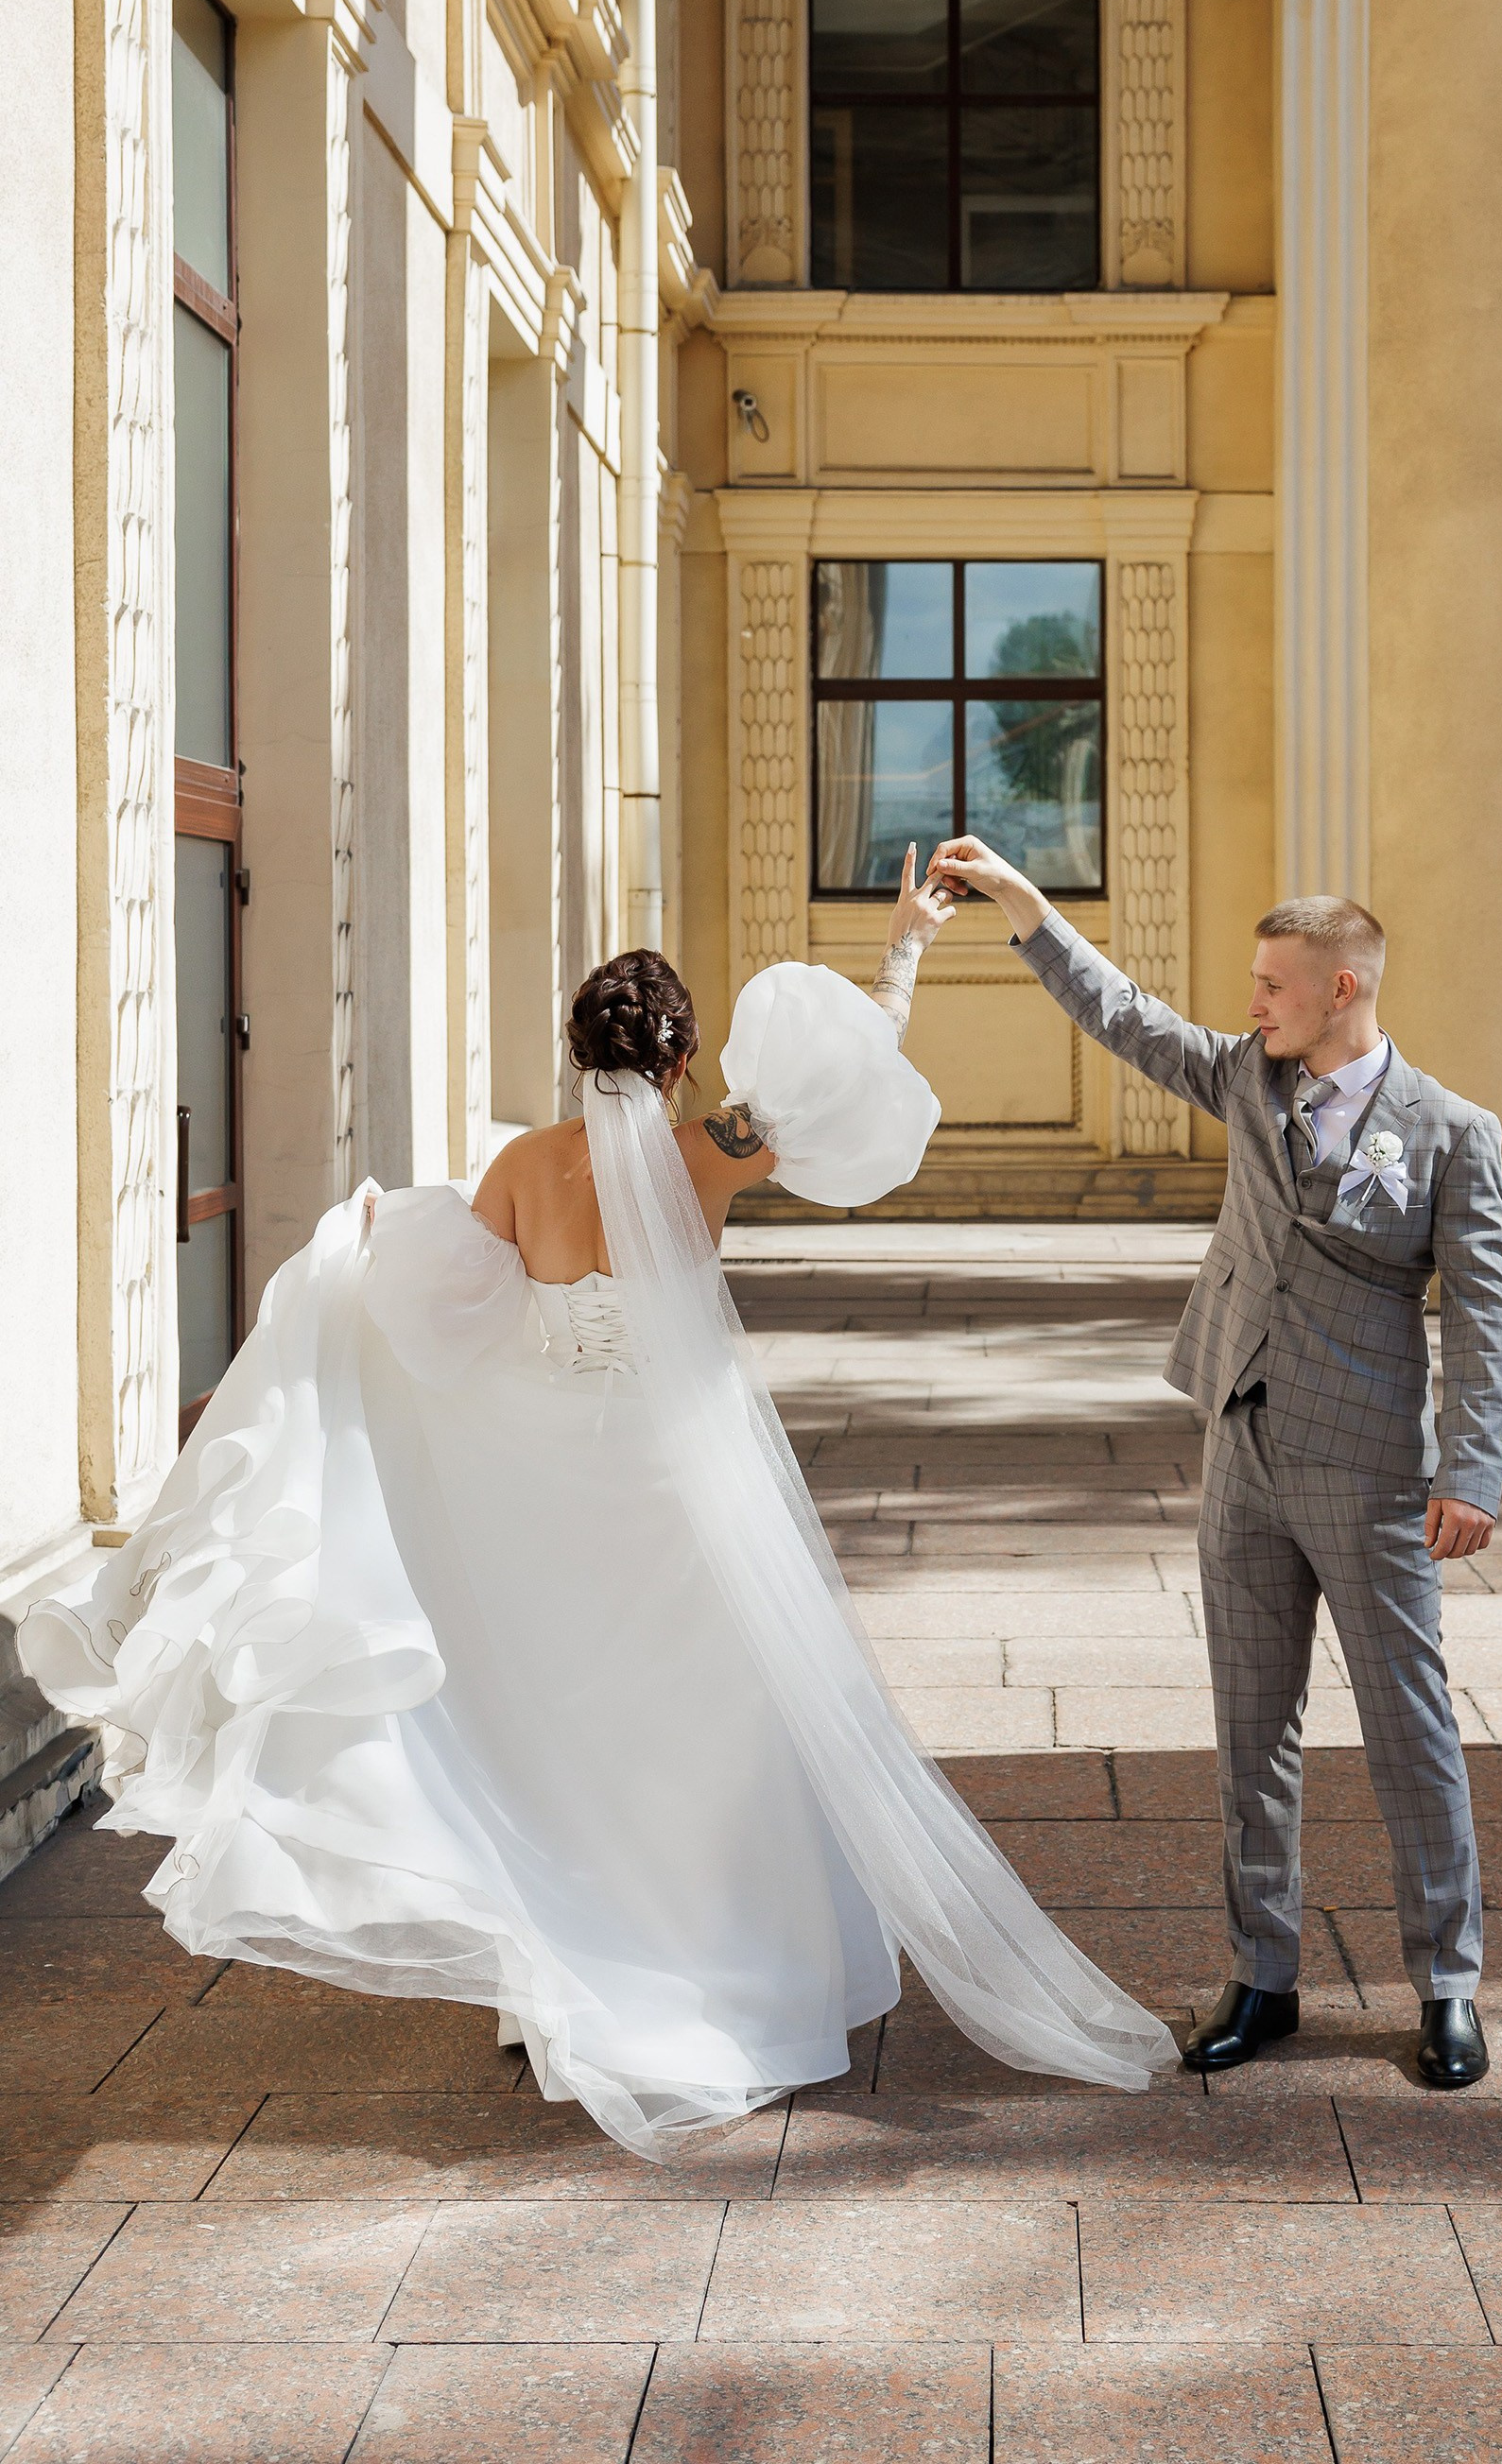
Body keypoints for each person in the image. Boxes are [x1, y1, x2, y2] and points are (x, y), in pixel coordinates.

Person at [22, 853, 1177, 2154]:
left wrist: (366, 1241)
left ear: (578, 1051)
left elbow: (447, 1315)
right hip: (678, 1475)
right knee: (702, 1730)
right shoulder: (709, 1153)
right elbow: (846, 1076)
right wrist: (904, 945)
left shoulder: (524, 1164)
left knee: (553, 1725)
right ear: (681, 1064)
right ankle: (711, 1968)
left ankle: (563, 1967)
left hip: (546, 1479)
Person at [930, 837, 1502, 2091]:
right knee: (1253, 1731)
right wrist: (1024, 905)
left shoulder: (1453, 1134)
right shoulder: (1251, 1079)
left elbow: (1480, 1313)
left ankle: (1448, 1984)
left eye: (1271, 984)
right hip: (1241, 1447)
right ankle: (1263, 1976)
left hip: (1368, 1470)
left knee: (1409, 1730)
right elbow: (1127, 1016)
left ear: (1342, 988)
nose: (1251, 1003)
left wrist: (1469, 1473)